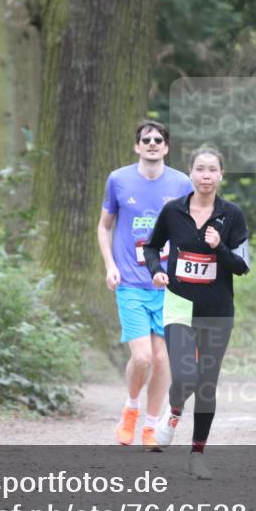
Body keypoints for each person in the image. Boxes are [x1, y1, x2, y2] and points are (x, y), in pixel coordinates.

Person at [144, 146, 250, 479]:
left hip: (217, 310)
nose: (206, 175)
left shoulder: (232, 215)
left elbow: (243, 265)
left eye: (212, 170)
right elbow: (151, 245)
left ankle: (197, 454)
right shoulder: (173, 211)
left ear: (221, 176)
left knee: (206, 384)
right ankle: (174, 411)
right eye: (200, 169)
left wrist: (220, 247)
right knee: (186, 376)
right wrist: (155, 271)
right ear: (190, 174)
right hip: (178, 303)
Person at [98, 120, 193, 450]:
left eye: (158, 140)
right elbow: (103, 226)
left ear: (166, 147)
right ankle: (131, 408)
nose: (152, 144)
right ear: (137, 146)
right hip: (131, 284)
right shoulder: (119, 180)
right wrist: (110, 266)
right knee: (142, 358)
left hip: (169, 286)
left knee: (163, 360)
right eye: (146, 139)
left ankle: (151, 426)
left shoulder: (181, 183)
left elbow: (191, 228)